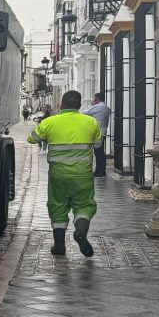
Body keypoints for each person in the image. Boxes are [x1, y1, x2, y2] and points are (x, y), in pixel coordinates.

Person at [27, 90, 103, 257]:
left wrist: (45, 131)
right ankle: (81, 232)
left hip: (58, 175)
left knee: (58, 207)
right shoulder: (91, 122)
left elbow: (32, 139)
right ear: (79, 105)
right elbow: (98, 144)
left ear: (61, 104)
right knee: (84, 205)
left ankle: (59, 246)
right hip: (83, 175)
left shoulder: (50, 122)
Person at [81, 92, 113, 177]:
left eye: (94, 98)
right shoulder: (106, 108)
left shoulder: (97, 107)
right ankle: (101, 170)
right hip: (103, 132)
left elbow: (84, 113)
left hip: (97, 133)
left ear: (97, 99)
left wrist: (92, 104)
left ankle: (99, 171)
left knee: (98, 153)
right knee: (100, 152)